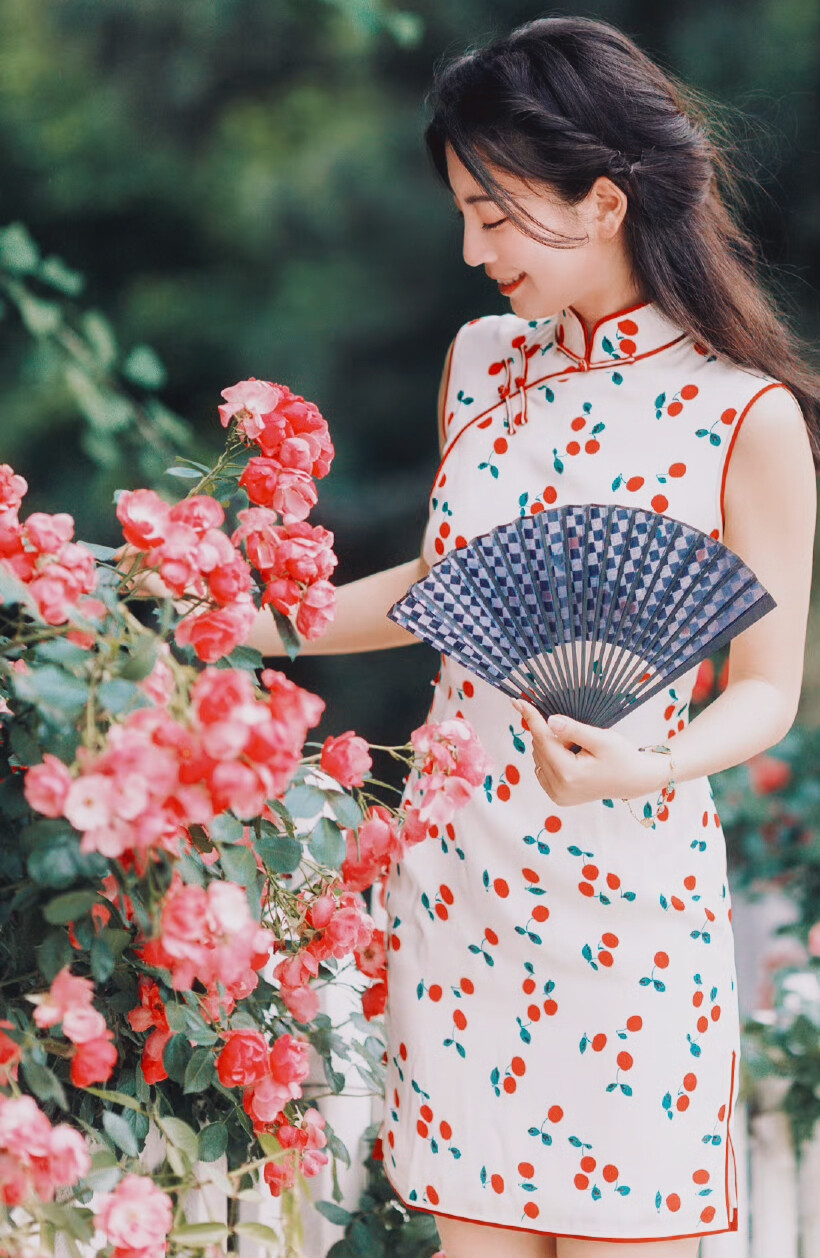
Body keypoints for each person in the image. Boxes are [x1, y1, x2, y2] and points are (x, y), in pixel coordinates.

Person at [246, 16, 818, 1258]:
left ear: (602, 198)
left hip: (631, 898)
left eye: (495, 215)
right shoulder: (481, 365)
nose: (470, 249)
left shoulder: (744, 415)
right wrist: (243, 622)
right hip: (461, 891)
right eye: (462, 212)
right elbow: (444, 590)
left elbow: (766, 687)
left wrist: (649, 764)